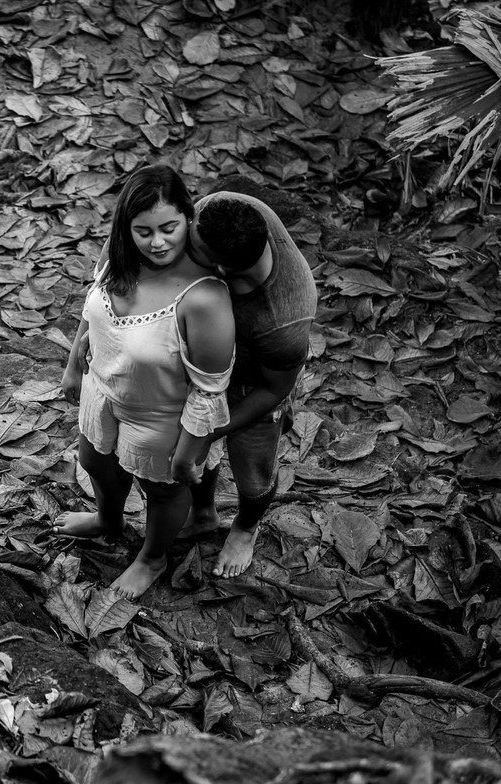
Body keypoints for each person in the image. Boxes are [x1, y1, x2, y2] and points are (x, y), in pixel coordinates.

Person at [68, 188, 318, 581]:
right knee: (191, 465)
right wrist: (96, 332)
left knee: (252, 470)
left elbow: (274, 389)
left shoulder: (281, 322)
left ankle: (245, 528)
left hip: (252, 381)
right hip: (183, 354)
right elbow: (116, 257)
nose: (173, 250)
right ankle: (203, 514)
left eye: (191, 254)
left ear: (218, 273)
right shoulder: (223, 211)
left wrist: (204, 431)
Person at [56, 165, 235, 600]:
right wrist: (73, 364)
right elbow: (91, 307)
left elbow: (209, 388)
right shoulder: (119, 255)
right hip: (104, 388)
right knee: (95, 460)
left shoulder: (205, 296)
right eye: (143, 231)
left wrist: (190, 451)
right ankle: (109, 520)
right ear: (126, 228)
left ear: (188, 218)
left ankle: (153, 556)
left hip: (161, 413)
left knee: (162, 489)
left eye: (169, 228)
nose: (157, 242)